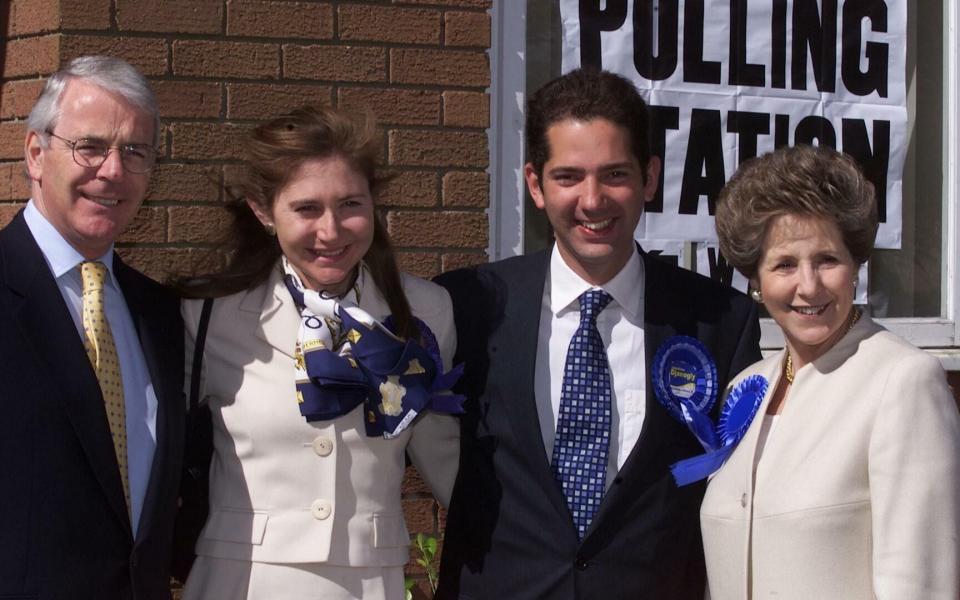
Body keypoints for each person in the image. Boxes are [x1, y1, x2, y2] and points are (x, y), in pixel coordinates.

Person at [434, 68, 762, 599]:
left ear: (649, 177)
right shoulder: (467, 305)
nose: (592, 200)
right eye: (568, 177)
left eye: (614, 174)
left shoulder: (721, 320)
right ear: (536, 185)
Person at [178, 105, 461, 600]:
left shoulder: (427, 310)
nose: (331, 232)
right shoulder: (209, 315)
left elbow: (443, 453)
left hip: (371, 582)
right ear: (264, 212)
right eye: (306, 209)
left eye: (350, 204)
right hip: (240, 579)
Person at [702, 144, 960, 599]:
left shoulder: (901, 380)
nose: (809, 285)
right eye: (784, 265)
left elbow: (920, 585)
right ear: (756, 282)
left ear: (856, 266)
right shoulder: (747, 387)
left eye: (827, 260)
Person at [0, 56, 184, 598]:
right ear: (36, 153)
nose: (113, 171)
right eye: (91, 146)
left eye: (135, 152)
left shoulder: (160, 313)